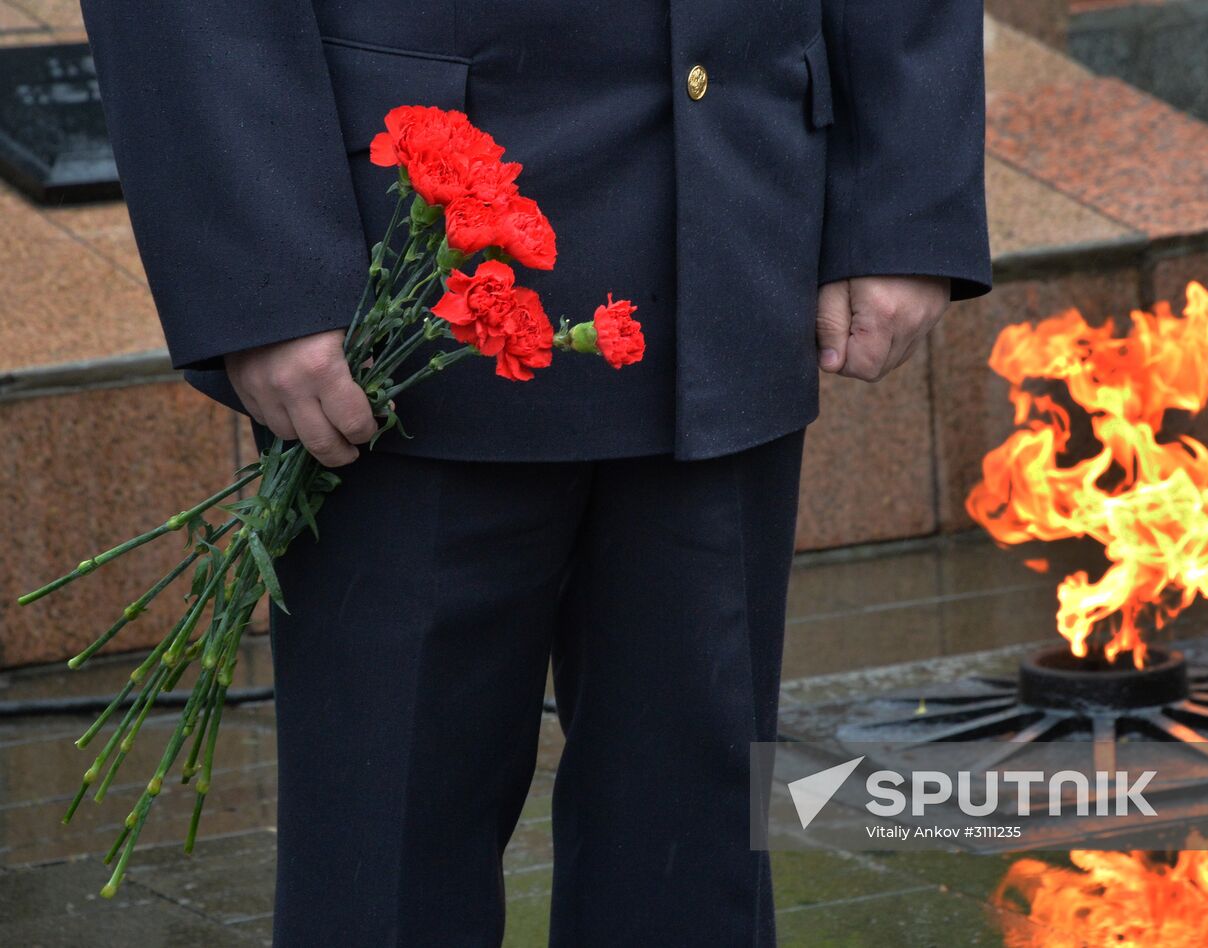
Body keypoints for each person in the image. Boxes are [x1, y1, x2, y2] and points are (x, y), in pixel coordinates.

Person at [80, 1, 990, 944]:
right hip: (404, 278)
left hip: (731, 226)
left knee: (693, 856)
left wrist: (904, 197)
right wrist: (263, 270)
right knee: (386, 860)